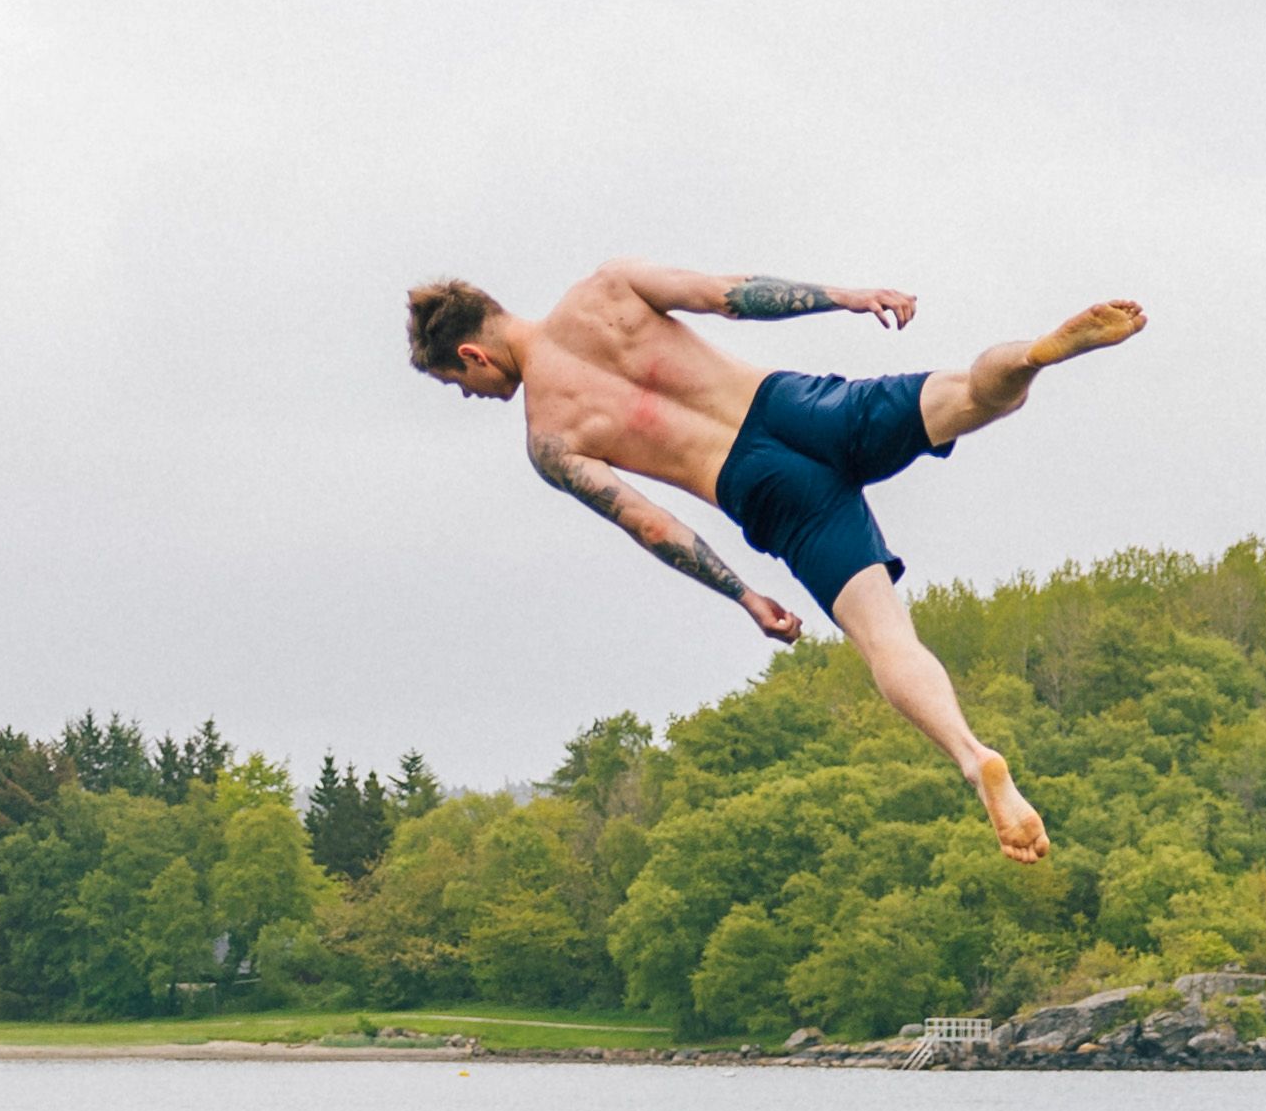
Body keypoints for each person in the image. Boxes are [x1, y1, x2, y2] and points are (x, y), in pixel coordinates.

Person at [404, 266, 1144, 859]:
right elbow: (735, 298)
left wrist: (744, 595)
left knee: (885, 639)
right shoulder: (605, 290)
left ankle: (970, 753)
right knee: (973, 396)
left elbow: (651, 525)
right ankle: (1032, 356)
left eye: (455, 384)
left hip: (762, 492)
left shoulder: (549, 438)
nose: (470, 395)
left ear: (470, 352)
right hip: (793, 406)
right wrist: (851, 297)